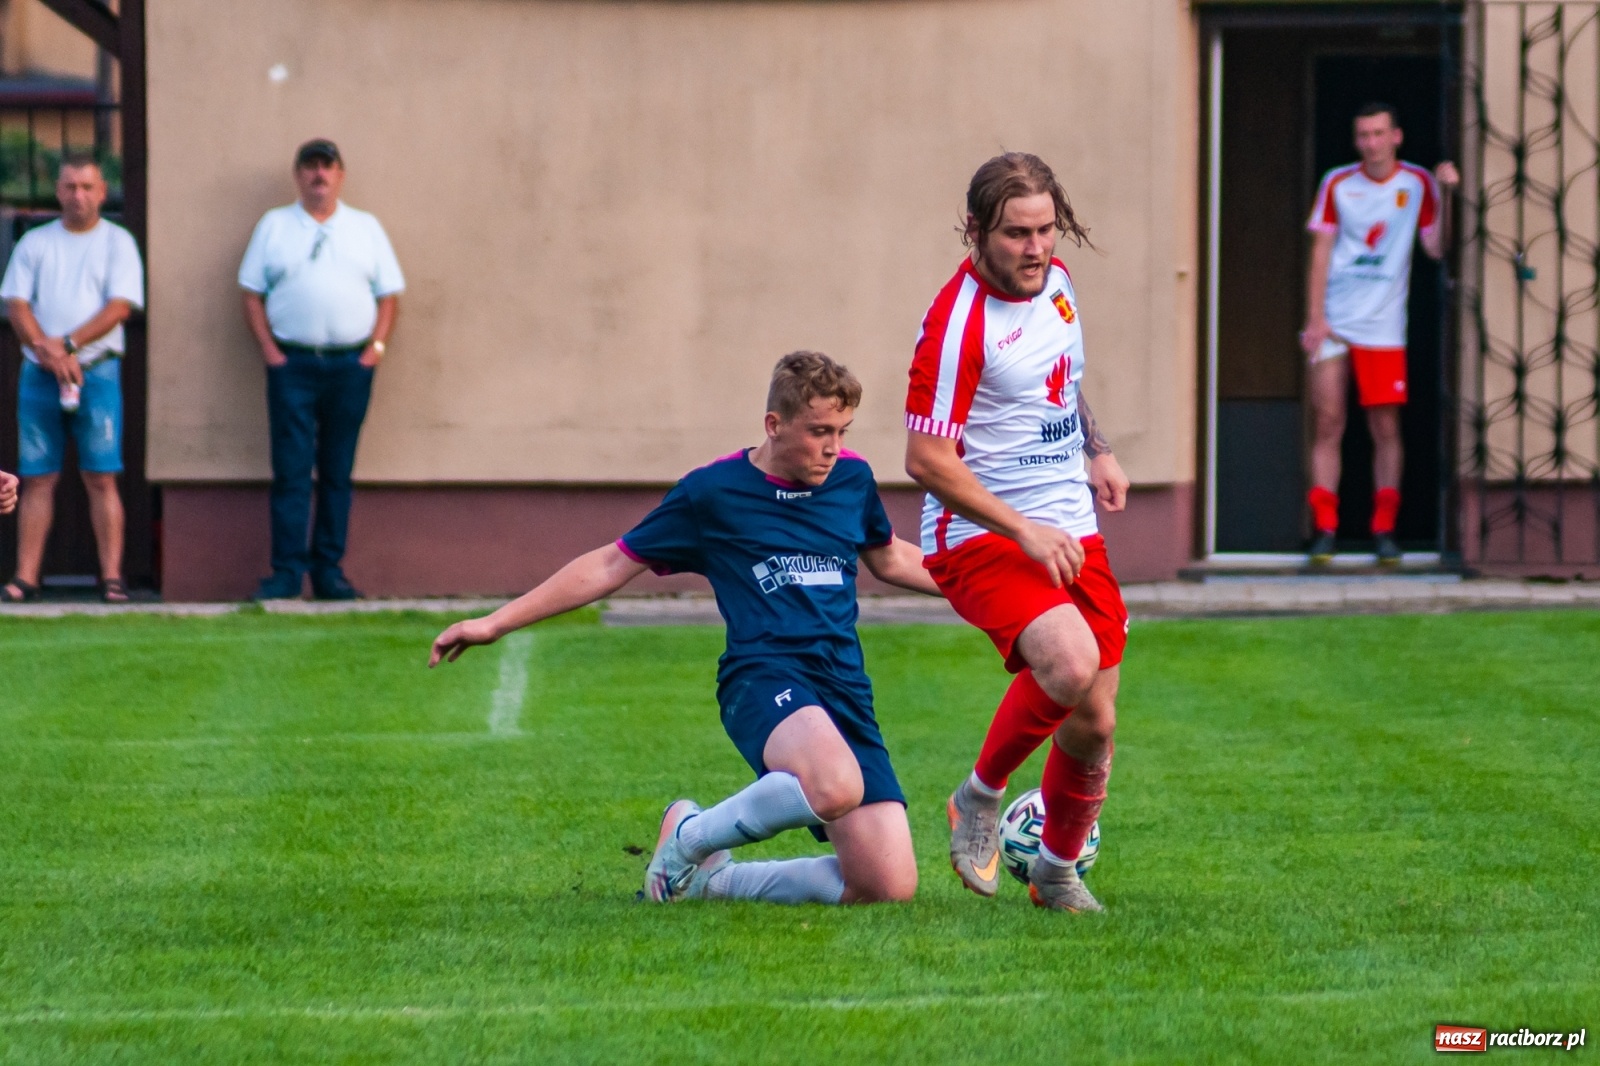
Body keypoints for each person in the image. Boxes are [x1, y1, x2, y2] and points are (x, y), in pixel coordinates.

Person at [430, 352, 938, 905]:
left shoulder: (851, 480)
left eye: (842, 431)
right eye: (819, 431)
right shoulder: (712, 493)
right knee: (835, 785)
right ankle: (689, 839)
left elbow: (892, 560)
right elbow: (610, 564)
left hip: (845, 684)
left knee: (884, 888)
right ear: (774, 425)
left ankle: (714, 882)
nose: (833, 447)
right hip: (764, 678)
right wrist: (495, 623)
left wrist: (995, 588)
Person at [904, 152, 1130, 913]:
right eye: (1015, 234)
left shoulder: (1058, 284)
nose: (1035, 249)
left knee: (1095, 722)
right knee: (1069, 664)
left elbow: (1062, 378)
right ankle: (977, 798)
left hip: (1067, 522)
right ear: (975, 231)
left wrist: (1095, 449)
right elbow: (926, 460)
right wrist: (1023, 530)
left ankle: (1058, 874)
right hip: (978, 533)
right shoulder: (955, 323)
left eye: (1046, 230)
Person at [239, 138, 404, 601]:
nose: (319, 175)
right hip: (292, 365)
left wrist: (374, 350)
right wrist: (271, 351)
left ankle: (329, 572)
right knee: (291, 471)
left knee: (336, 470)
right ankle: (287, 573)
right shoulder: (275, 226)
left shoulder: (364, 228)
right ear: (298, 175)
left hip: (350, 366)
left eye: (327, 166)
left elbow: (388, 295)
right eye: (310, 166)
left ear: (340, 175)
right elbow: (251, 292)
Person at [1300, 103, 1458, 565]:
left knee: (1385, 427)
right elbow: (1321, 251)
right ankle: (1324, 529)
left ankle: (1384, 529)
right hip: (1334, 320)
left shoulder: (1418, 182)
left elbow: (1435, 246)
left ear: (1397, 137)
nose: (1371, 143)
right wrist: (1315, 317)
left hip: (1385, 325)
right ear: (1356, 141)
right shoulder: (1337, 183)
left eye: (1378, 133)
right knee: (1328, 422)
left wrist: (1449, 195)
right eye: (1363, 134)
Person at [0, 154, 144, 604]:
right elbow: (17, 304)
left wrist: (67, 344)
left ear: (102, 191)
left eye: (86, 187)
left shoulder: (117, 243)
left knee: (101, 476)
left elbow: (120, 307)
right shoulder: (36, 244)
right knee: (37, 477)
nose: (77, 195)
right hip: (39, 377)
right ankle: (25, 578)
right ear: (57, 191)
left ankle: (112, 578)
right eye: (69, 187)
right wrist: (45, 348)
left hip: (96, 373)